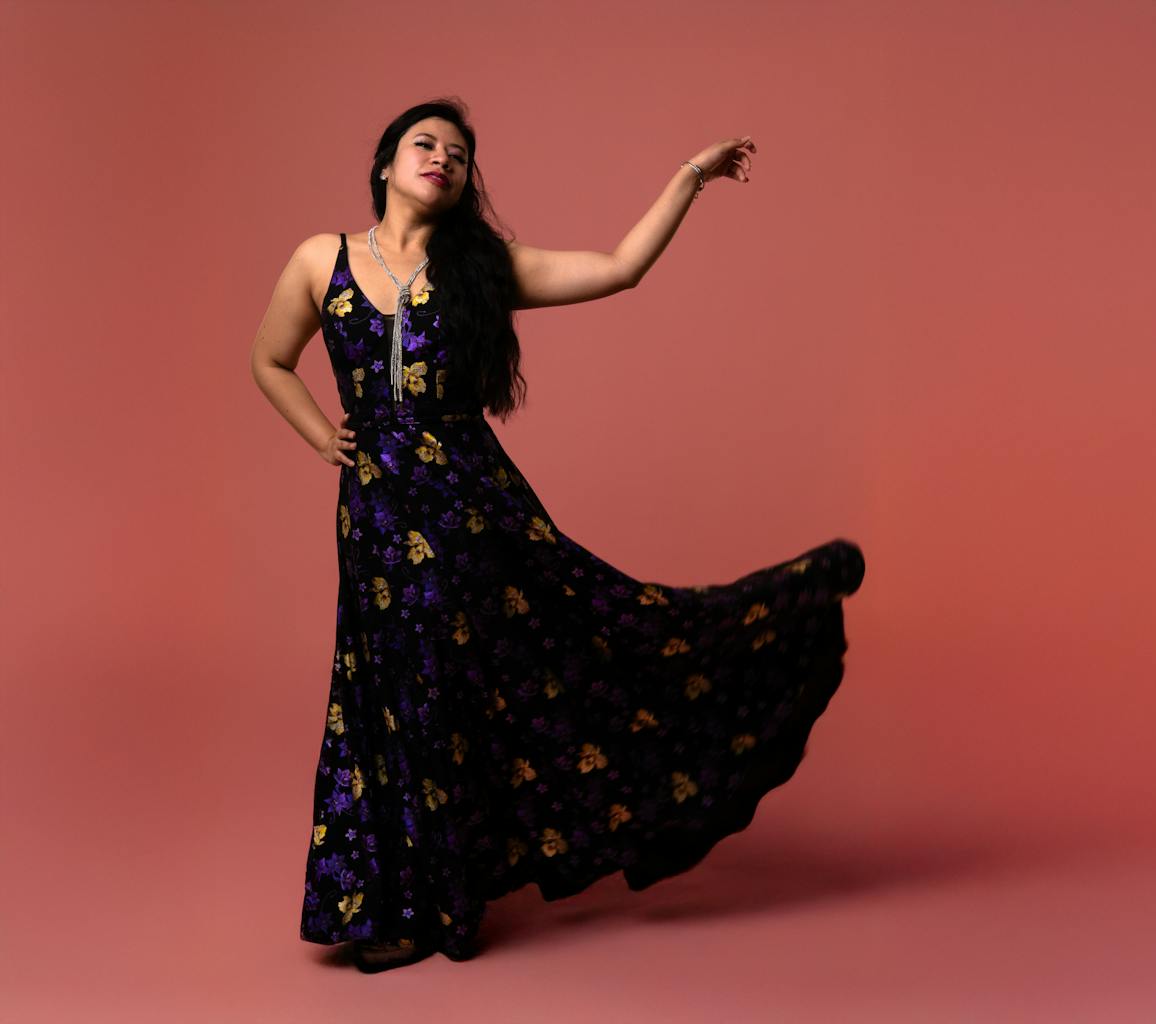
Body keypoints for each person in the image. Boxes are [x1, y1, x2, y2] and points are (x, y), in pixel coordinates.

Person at [249, 97, 866, 973]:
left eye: (458, 154)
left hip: (474, 512)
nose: (442, 158)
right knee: (389, 691)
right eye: (424, 145)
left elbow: (620, 268)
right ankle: (404, 900)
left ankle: (440, 902)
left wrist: (690, 178)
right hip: (378, 520)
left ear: (466, 183)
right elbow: (268, 359)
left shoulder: (481, 269)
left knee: (518, 666)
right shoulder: (323, 258)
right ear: (386, 163)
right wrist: (324, 437)